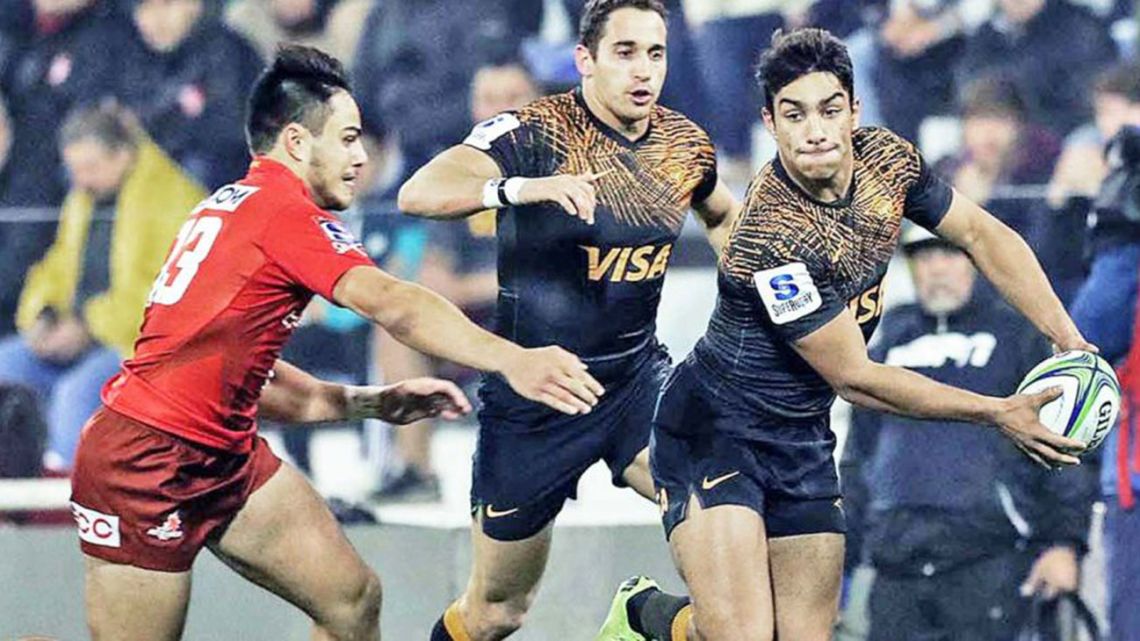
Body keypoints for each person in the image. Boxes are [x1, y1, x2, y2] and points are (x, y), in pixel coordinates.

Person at [69, 44, 603, 641]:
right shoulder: (285, 214)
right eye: (347, 139)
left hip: (222, 454)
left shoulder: (232, 205)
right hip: (144, 461)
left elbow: (246, 378)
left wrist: (371, 403)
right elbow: (395, 303)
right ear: (298, 143)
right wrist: (512, 360)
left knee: (351, 601)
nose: (359, 156)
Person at [596, 27, 1091, 641]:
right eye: (794, 114)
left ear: (854, 110)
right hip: (712, 432)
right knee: (743, 636)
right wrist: (997, 411)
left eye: (830, 110)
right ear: (770, 124)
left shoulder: (888, 161)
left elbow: (984, 235)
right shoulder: (770, 237)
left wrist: (1067, 336)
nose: (816, 130)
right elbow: (856, 378)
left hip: (800, 437)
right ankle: (643, 613)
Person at [397, 1, 740, 638]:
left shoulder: (683, 144)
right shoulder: (535, 131)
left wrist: (758, 283)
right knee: (497, 612)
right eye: (626, 52)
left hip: (638, 384)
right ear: (585, 60)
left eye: (656, 53)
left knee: (737, 572)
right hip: (535, 395)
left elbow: (721, 215)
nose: (643, 71)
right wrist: (521, 189)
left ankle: (645, 618)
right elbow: (416, 193)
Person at [841, 225, 1094, 641]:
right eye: (923, 257)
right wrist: (841, 560)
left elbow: (1063, 443)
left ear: (976, 262)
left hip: (990, 560)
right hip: (895, 567)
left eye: (949, 254)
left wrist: (1065, 544)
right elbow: (858, 458)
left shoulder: (1019, 335)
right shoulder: (885, 343)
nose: (936, 268)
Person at [372, 57, 541, 503]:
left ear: (540, 105)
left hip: (552, 323)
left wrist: (508, 284)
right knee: (399, 328)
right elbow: (436, 279)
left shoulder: (566, 172)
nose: (498, 112)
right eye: (488, 100)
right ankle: (416, 470)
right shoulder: (454, 178)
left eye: (512, 99)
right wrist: (505, 282)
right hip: (481, 320)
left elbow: (570, 276)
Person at [0, 101, 202, 472]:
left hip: (137, 348)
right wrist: (43, 313)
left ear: (124, 154)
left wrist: (88, 326)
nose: (80, 179)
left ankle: (69, 508)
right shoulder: (84, 199)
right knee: (6, 364)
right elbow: (58, 265)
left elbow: (169, 299)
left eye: (90, 167)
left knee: (74, 395)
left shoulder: (175, 202)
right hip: (76, 336)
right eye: (74, 169)